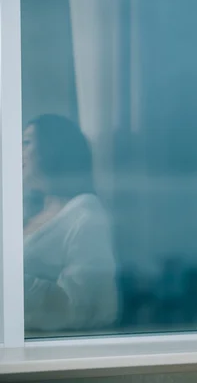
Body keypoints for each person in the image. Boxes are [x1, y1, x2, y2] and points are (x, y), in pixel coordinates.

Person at [23, 114, 118, 332]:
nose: (18, 153)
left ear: (53, 149)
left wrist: (11, 284)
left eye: (26, 143)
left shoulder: (86, 217)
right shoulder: (28, 211)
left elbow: (83, 307)